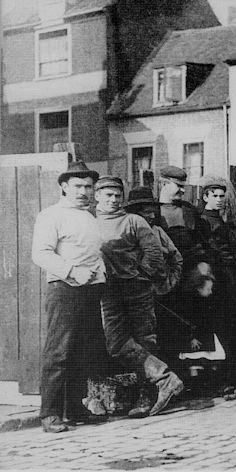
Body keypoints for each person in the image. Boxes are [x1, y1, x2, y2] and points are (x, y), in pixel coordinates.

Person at [95, 176, 184, 417]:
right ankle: (166, 378)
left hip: (137, 290)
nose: (113, 200)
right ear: (97, 197)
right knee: (116, 344)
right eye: (108, 195)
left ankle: (146, 398)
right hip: (108, 292)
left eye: (117, 195)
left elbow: (153, 253)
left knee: (145, 341)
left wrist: (140, 277)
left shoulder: (133, 221)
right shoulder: (89, 222)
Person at [31, 162, 109, 433]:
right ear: (64, 187)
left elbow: (95, 255)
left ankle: (74, 410)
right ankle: (50, 414)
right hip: (64, 290)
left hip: (90, 291)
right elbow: (40, 253)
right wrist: (72, 271)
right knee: (59, 352)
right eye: (78, 186)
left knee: (82, 353)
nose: (84, 192)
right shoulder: (51, 215)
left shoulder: (90, 217)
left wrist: (99, 278)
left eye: (88, 187)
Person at [199, 181, 236, 376]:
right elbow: (212, 251)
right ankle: (232, 367)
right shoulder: (204, 222)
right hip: (219, 280)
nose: (219, 200)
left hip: (233, 278)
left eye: (221, 196)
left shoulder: (222, 222)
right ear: (205, 197)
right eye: (214, 196)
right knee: (226, 323)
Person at [156, 166, 210, 369]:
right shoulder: (152, 211)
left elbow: (204, 243)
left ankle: (197, 373)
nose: (181, 191)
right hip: (165, 278)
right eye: (177, 186)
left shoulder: (189, 211)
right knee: (169, 324)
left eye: (183, 186)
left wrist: (204, 268)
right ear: (163, 184)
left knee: (194, 322)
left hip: (190, 277)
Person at [124, 186, 183, 298]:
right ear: (134, 213)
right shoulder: (125, 233)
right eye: (147, 212)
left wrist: (170, 283)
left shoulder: (158, 231)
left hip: (160, 293)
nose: (152, 216)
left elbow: (177, 259)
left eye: (153, 212)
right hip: (134, 293)